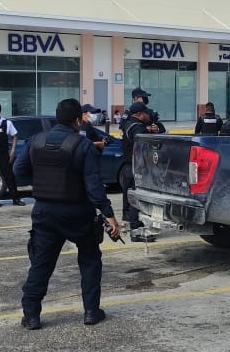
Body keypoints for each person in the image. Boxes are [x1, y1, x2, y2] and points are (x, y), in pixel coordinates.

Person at [14, 98, 120, 329]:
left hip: (45, 212)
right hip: (78, 212)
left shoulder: (36, 140)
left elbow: (18, 171)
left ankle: (31, 316)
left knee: (41, 264)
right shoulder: (84, 146)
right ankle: (91, 311)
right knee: (90, 261)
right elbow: (93, 185)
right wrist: (109, 215)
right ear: (78, 120)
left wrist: (43, 182)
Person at [119, 101, 156, 242]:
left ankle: (133, 222)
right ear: (140, 114)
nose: (148, 115)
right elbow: (143, 146)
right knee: (137, 198)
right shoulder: (137, 128)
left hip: (128, 166)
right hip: (136, 166)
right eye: (146, 113)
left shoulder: (128, 124)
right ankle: (136, 230)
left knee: (130, 197)